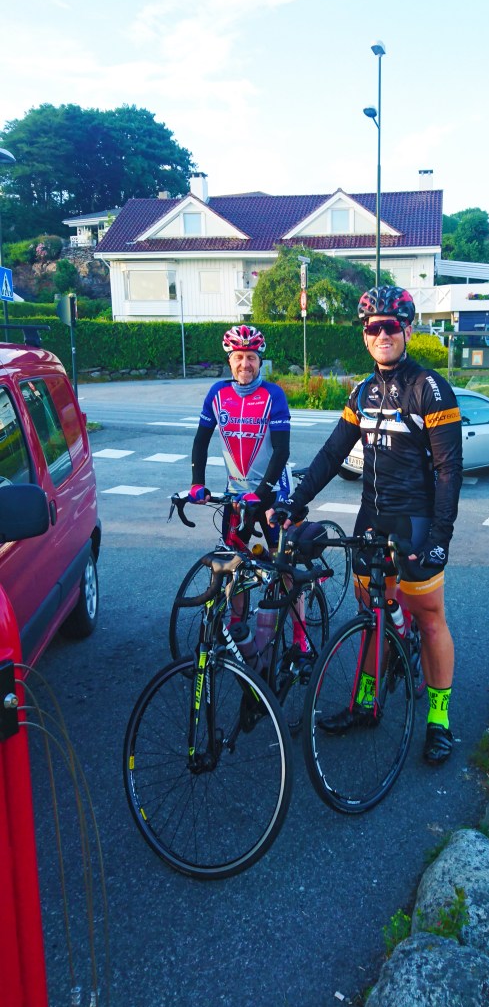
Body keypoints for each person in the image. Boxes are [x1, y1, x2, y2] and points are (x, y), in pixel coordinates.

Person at [272, 286, 463, 765]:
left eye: (390, 326)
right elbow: (332, 453)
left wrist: (440, 538)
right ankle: (365, 702)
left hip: (416, 522)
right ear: (364, 334)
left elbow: (448, 471)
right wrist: (295, 503)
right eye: (373, 327)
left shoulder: (429, 388)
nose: (382, 334)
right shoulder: (362, 392)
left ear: (407, 330)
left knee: (429, 617)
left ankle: (439, 719)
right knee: (373, 612)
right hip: (372, 520)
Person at [189, 324, 293, 545]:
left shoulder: (273, 394)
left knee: (279, 559)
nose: (245, 364)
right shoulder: (218, 393)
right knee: (231, 555)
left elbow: (281, 450)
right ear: (230, 360)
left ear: (260, 361)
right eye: (238, 357)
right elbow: (200, 441)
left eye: (251, 358)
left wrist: (261, 493)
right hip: (236, 493)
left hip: (272, 490)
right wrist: (197, 483)